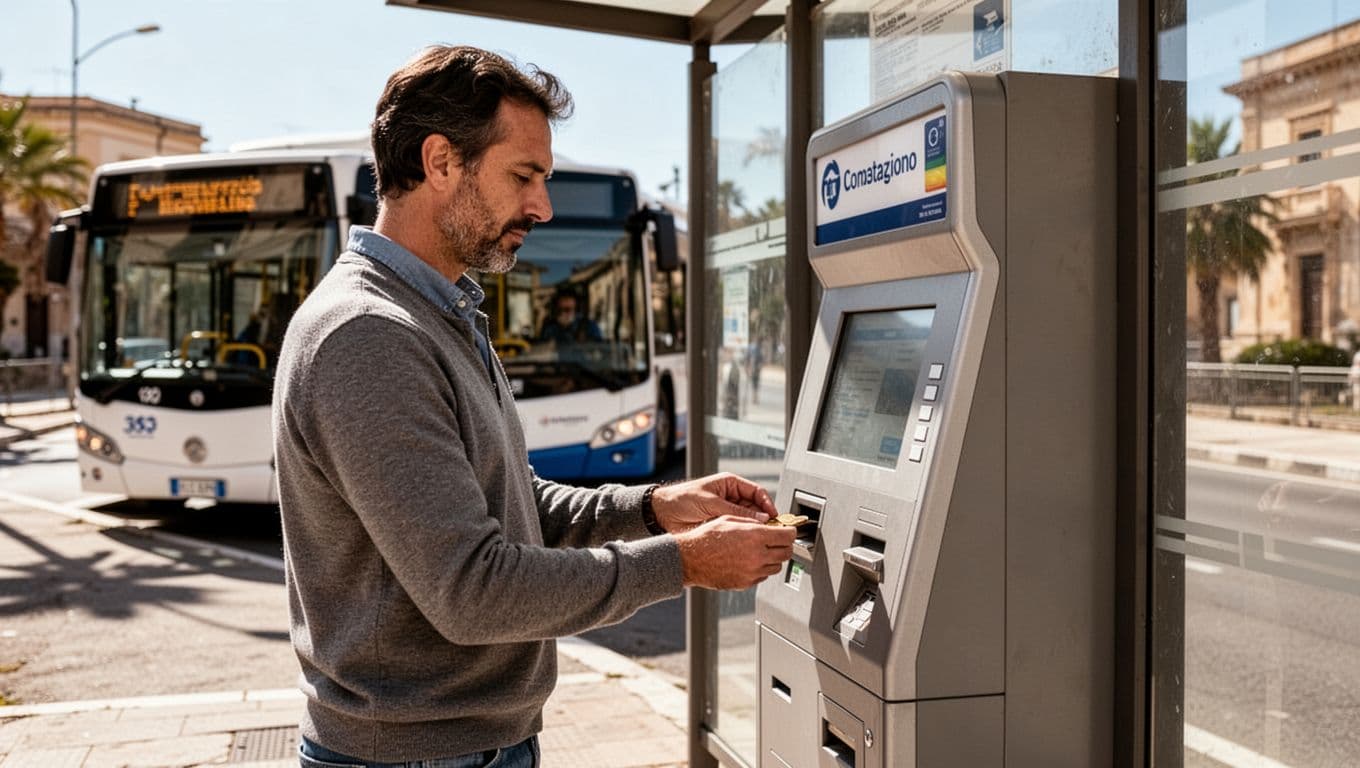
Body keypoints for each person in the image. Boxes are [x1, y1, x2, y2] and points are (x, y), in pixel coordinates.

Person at [272, 45, 795, 767]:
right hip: (413, 757)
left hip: (468, 747)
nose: (541, 207)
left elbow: (507, 501)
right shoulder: (368, 336)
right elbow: (473, 589)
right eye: (525, 176)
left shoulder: (438, 312)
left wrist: (654, 508)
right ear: (440, 162)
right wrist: (683, 563)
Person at [538, 291, 603, 345]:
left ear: (576, 310)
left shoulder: (589, 326)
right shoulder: (550, 328)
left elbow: (599, 349)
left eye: (567, 310)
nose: (562, 313)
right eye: (559, 310)